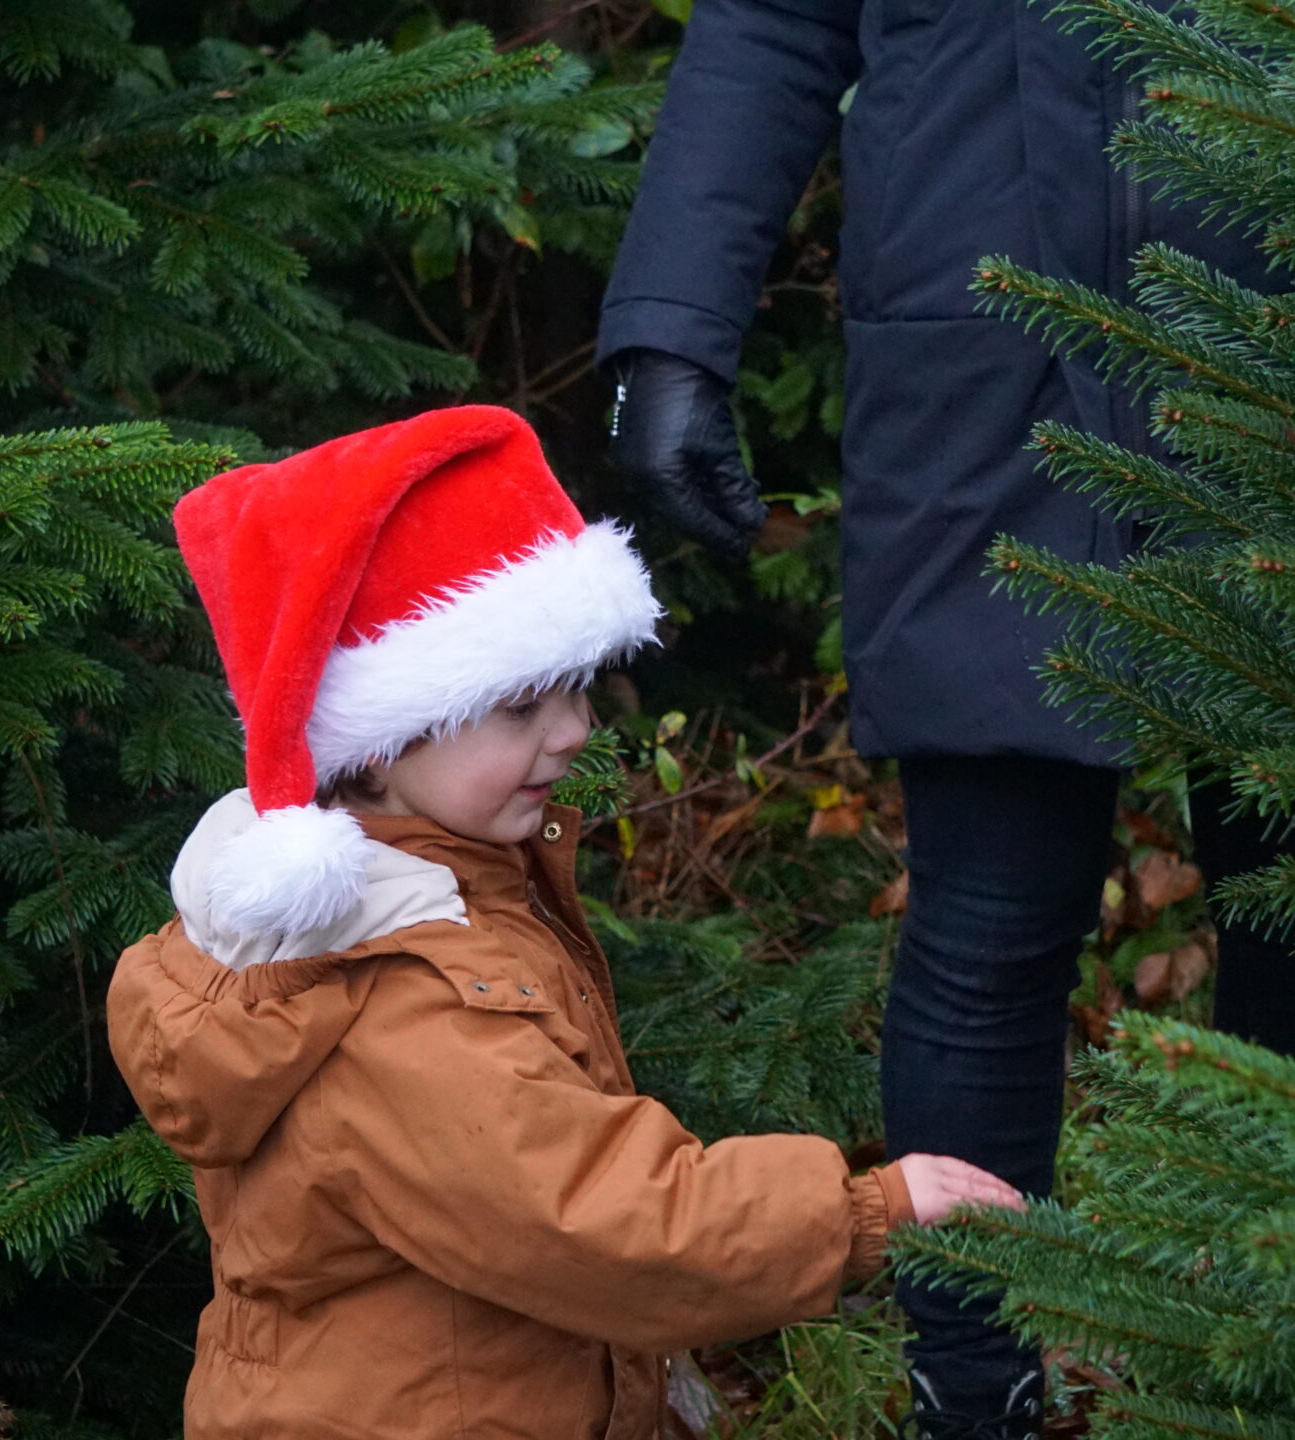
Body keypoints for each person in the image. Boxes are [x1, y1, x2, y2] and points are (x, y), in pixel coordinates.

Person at [596, 0, 1295, 1431]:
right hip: (983, 364)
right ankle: (971, 1402)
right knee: (990, 920)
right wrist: (672, 332)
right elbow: (772, 24)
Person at [107, 405, 1022, 1440]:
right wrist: (868, 1214)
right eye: (518, 707)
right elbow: (599, 1221)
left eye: (576, 689)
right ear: (374, 739)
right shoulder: (395, 987)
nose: (574, 730)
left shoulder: (438, 892)